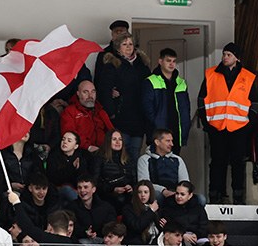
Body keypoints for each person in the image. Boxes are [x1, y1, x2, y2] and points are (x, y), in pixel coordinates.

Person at [198, 42, 258, 204]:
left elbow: (255, 103)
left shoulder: (248, 77)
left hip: (239, 128)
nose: (225, 57)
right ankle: (215, 196)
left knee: (238, 164)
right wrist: (206, 123)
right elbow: (201, 100)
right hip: (216, 128)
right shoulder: (211, 74)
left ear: (237, 58)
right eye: (224, 54)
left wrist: (248, 125)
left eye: (229, 55)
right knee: (217, 163)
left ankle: (238, 198)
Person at [94, 31, 151, 159]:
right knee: (120, 154)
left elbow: (148, 88)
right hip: (120, 118)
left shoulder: (142, 64)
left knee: (135, 153)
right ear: (118, 47)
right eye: (124, 44)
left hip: (139, 118)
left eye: (131, 44)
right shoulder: (112, 65)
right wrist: (112, 113)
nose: (128, 47)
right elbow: (104, 91)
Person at [143, 47, 193, 148]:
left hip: (177, 131)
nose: (171, 64)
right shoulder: (150, 81)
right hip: (158, 132)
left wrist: (186, 125)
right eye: (168, 60)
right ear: (160, 61)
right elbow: (147, 108)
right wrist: (156, 124)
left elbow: (186, 108)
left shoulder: (181, 82)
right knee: (157, 157)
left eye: (174, 61)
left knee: (175, 157)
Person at [60, 80, 114, 153]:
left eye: (93, 92)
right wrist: (88, 147)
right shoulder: (70, 111)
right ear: (78, 94)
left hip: (103, 151)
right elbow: (69, 134)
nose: (90, 96)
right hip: (81, 151)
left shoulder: (100, 111)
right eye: (85, 92)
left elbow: (112, 131)